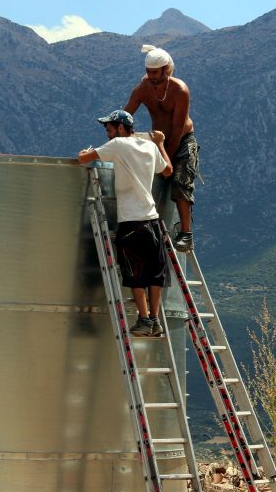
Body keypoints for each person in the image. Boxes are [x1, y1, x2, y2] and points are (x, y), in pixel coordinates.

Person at [78, 109, 173, 337]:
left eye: (109, 128)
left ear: (121, 127)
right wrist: (160, 143)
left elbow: (83, 159)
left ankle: (143, 319)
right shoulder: (149, 146)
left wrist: (87, 152)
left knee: (136, 274)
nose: (107, 133)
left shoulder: (118, 144)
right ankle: (155, 320)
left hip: (131, 222)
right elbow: (167, 170)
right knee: (155, 274)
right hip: (152, 220)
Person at [124, 44, 200, 252]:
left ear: (167, 70)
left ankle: (186, 234)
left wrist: (170, 159)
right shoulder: (143, 88)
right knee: (146, 182)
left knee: (179, 181)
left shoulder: (180, 90)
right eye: (148, 72)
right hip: (157, 141)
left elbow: (177, 127)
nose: (151, 76)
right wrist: (118, 132)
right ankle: (144, 228)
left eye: (155, 72)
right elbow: (127, 113)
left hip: (182, 140)